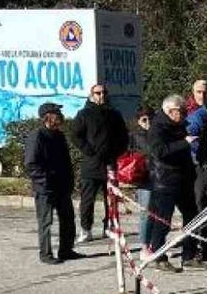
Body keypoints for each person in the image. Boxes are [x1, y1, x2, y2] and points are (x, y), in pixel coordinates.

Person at [142, 95, 200, 273]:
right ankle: (159, 256)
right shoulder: (157, 127)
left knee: (192, 215)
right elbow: (159, 152)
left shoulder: (180, 125)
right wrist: (184, 143)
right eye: (180, 111)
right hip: (164, 180)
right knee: (162, 220)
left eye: (184, 111)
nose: (184, 114)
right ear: (170, 111)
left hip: (183, 178)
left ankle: (189, 255)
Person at [68, 83, 129, 243]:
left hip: (110, 164)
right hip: (92, 164)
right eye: (98, 93)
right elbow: (75, 135)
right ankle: (86, 229)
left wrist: (116, 152)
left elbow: (123, 136)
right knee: (87, 200)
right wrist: (90, 151)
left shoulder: (115, 114)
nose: (101, 95)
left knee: (112, 198)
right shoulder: (84, 114)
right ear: (91, 95)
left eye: (104, 92)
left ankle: (109, 227)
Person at [24, 102, 77, 265]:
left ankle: (66, 250)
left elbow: (66, 161)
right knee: (46, 222)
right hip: (45, 188)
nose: (60, 116)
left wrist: (70, 181)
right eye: (56, 113)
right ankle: (45, 254)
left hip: (62, 186)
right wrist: (45, 181)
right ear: (47, 116)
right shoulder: (37, 136)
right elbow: (31, 164)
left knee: (68, 219)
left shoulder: (59, 136)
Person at [185, 95, 207, 268]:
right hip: (200, 167)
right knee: (200, 204)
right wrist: (198, 156)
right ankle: (197, 247)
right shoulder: (199, 117)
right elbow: (189, 135)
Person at [128, 104, 156, 250]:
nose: (148, 123)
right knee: (146, 213)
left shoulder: (156, 133)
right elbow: (151, 151)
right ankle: (145, 246)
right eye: (144, 120)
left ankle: (153, 244)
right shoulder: (137, 135)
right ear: (138, 121)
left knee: (157, 214)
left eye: (151, 119)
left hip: (158, 177)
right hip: (145, 178)